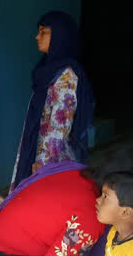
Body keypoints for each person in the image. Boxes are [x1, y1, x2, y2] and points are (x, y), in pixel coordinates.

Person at [11, 11, 95, 189]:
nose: (37, 37)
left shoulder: (67, 74)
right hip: (36, 149)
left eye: (43, 32)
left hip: (51, 160)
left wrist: (45, 164)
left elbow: (59, 126)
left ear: (59, 36)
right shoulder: (46, 69)